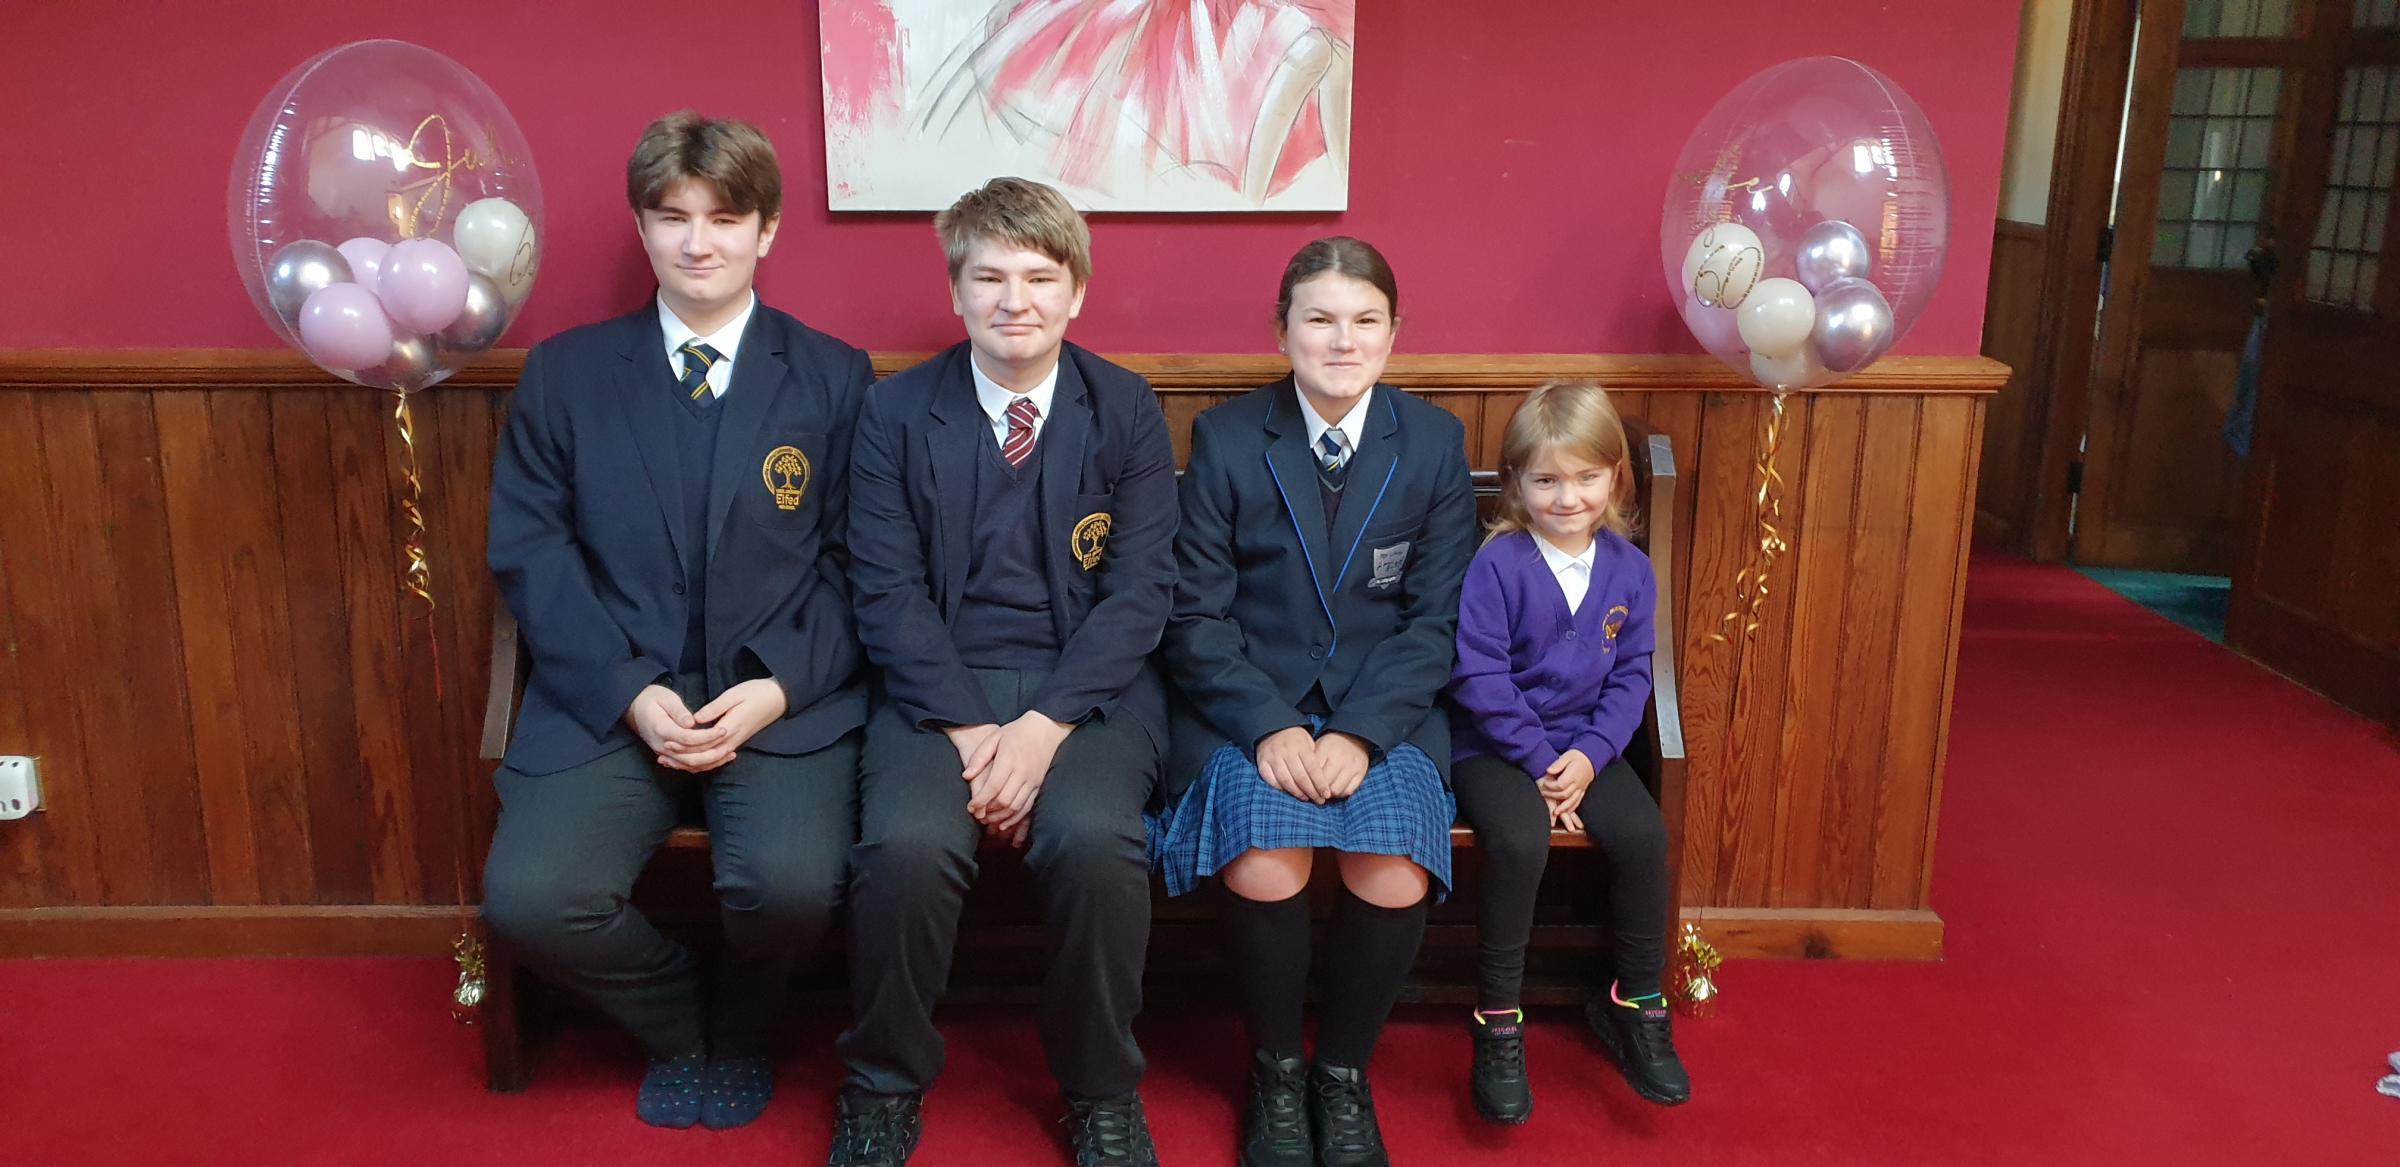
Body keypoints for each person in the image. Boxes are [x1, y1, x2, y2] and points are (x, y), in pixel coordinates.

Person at [482, 112, 873, 1131]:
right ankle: (683, 1020)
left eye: (725, 217)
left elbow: (860, 563)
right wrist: (626, 690)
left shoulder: (833, 376)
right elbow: (532, 551)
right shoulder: (566, 374)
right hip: (612, 695)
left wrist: (782, 685)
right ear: (643, 226)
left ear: (767, 230)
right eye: (672, 217)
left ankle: (746, 1026)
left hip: (777, 701)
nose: (698, 241)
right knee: (530, 899)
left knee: (791, 890)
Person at [833, 177, 1178, 1167]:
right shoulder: (896, 414)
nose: (1013, 298)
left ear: (1076, 292)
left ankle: (1103, 1088)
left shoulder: (1127, 409)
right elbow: (885, 592)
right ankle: (883, 1081)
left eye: (1038, 276)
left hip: (1088, 691)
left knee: (1095, 842)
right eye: (989, 276)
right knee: (904, 846)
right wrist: (973, 732)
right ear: (957, 293)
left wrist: (1041, 729)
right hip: (937, 686)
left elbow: (1140, 594)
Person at [1154, 236, 1476, 1167]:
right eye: (1320, 319)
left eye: (1365, 320)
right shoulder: (1226, 437)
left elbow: (1434, 621)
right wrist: (1271, 724)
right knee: (1264, 854)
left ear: (1394, 331)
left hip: (1387, 710)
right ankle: (1274, 1072)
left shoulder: (1432, 441)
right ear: (1284, 328)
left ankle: (1340, 1072)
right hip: (1249, 706)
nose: (1343, 340)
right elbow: (1196, 616)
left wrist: (1367, 736)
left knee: (1392, 863)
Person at [1446, 380, 1690, 1119]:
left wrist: (1585, 759)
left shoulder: (1629, 569)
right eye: (1546, 479)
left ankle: (1637, 1000)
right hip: (1492, 748)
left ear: (1614, 476)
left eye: (1586, 477)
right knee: (1520, 839)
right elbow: (1479, 675)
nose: (1567, 496)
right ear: (1516, 481)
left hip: (1588, 749)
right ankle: (1498, 1017)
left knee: (1645, 835)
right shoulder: (1499, 563)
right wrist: (1540, 765)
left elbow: (1630, 678)